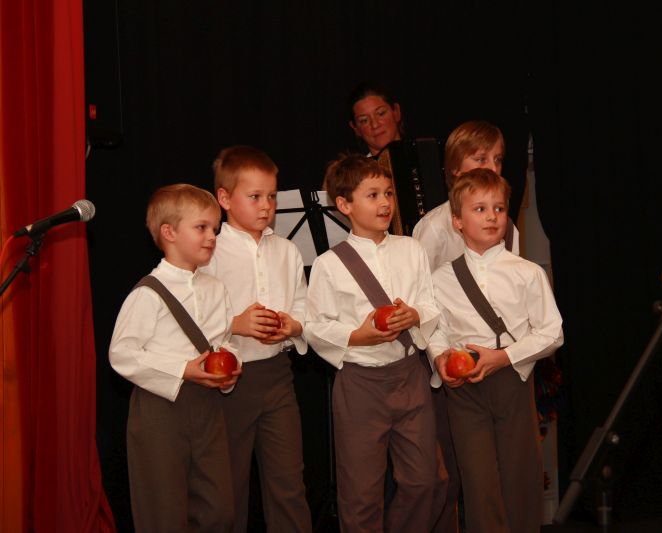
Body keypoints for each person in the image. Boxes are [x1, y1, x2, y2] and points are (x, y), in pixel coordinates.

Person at [304, 154, 444, 532]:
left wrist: (414, 315)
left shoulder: (411, 249)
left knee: (424, 482)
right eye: (373, 195)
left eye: (388, 193)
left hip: (410, 376)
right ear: (344, 204)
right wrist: (357, 336)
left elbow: (430, 304)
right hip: (360, 384)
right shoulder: (329, 264)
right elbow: (315, 326)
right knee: (361, 494)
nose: (385, 203)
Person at [428, 168, 564, 533]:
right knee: (478, 484)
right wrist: (440, 359)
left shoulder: (527, 272)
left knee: (521, 479)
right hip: (464, 390)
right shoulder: (440, 278)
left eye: (499, 209)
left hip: (513, 382)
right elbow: (436, 330)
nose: (492, 216)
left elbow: (552, 333)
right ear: (457, 221)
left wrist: (503, 357)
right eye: (480, 209)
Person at [109, 183, 241, 532]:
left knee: (218, 510)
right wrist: (182, 369)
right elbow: (122, 354)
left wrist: (231, 368)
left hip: (207, 408)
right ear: (169, 233)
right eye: (201, 227)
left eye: (215, 228)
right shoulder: (148, 293)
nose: (211, 236)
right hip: (160, 410)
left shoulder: (216, 289)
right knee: (163, 511)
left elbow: (225, 342)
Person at [202, 145, 312, 533]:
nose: (266, 206)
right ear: (224, 198)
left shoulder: (287, 250)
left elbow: (303, 306)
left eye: (271, 196)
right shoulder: (210, 251)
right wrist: (235, 323)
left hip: (278, 376)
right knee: (228, 487)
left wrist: (292, 326)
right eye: (255, 196)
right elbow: (192, 317)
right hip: (228, 380)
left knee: (288, 483)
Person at [413, 120, 520, 272]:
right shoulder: (435, 227)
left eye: (498, 160)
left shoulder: (507, 227)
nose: (493, 168)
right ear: (455, 167)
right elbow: (419, 282)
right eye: (481, 159)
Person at [348, 81, 403, 156]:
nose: (375, 125)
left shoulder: (420, 155)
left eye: (381, 113)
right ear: (356, 128)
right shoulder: (354, 165)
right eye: (364, 120)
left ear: (396, 112)